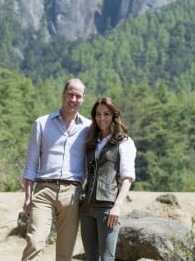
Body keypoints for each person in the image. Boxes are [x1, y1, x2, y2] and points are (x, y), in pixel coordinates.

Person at [21, 78, 91, 261]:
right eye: (71, 94)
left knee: (65, 253)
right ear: (63, 94)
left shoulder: (89, 128)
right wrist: (28, 196)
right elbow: (30, 163)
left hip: (73, 193)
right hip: (44, 190)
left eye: (78, 96)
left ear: (83, 100)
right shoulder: (42, 123)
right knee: (35, 242)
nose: (74, 99)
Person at [80, 97, 136, 261]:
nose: (101, 118)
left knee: (107, 258)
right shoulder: (91, 142)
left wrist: (117, 207)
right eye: (98, 114)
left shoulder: (124, 142)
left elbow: (127, 178)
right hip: (86, 207)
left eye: (106, 114)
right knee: (90, 257)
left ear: (114, 116)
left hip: (107, 207)